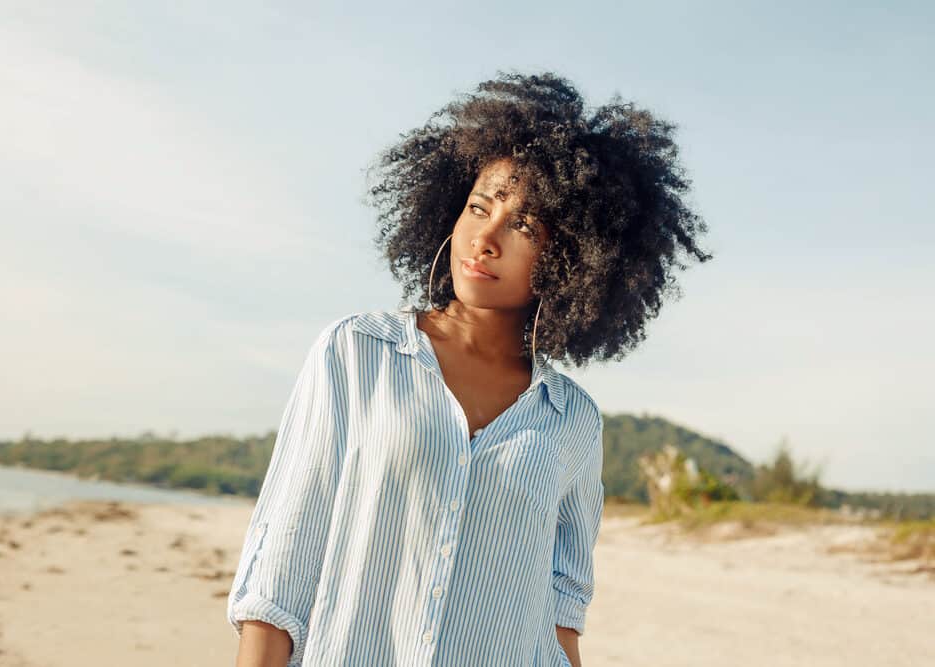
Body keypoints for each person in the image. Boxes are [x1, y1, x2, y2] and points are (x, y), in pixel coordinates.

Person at [227, 70, 712, 667]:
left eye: (524, 227)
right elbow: (280, 564)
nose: (485, 238)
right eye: (479, 207)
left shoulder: (573, 421)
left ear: (576, 258)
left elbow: (562, 613)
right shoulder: (356, 353)